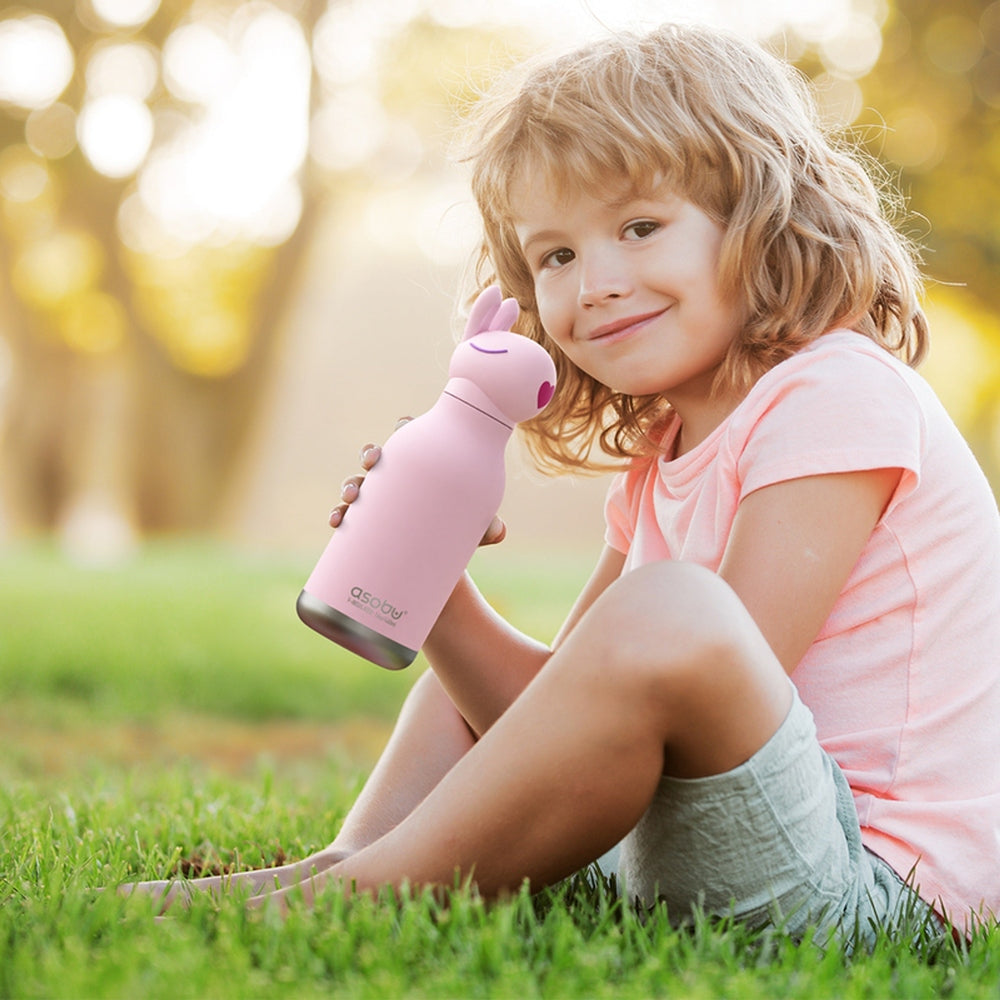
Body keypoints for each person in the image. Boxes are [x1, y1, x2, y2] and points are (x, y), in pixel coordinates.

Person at [124, 22, 1000, 942]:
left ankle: (348, 902)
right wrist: (436, 587)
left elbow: (720, 667)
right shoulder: (662, 453)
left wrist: (632, 635)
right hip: (715, 844)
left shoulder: (839, 391)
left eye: (640, 228)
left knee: (670, 609)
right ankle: (344, 868)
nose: (595, 284)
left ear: (761, 217)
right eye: (557, 256)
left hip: (874, 888)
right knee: (467, 691)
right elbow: (551, 721)